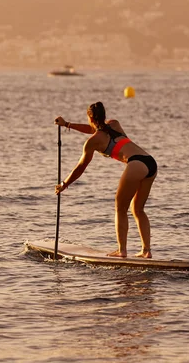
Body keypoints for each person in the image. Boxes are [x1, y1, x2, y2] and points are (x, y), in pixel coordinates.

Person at [54, 102, 157, 258]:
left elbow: (80, 167)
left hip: (136, 164)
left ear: (90, 117)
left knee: (120, 207)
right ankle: (146, 250)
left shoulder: (92, 142)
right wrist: (67, 124)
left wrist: (64, 184)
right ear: (103, 115)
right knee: (137, 209)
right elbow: (92, 129)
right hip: (150, 162)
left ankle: (122, 250)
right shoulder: (114, 124)